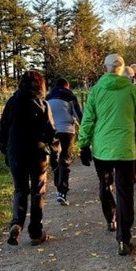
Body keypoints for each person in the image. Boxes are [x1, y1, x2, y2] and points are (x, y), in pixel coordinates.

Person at [79, 54, 136, 256]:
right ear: (122, 69)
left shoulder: (96, 91)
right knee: (124, 192)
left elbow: (88, 119)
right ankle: (124, 238)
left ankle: (110, 217)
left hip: (102, 150)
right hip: (125, 150)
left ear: (105, 68)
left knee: (104, 184)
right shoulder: (131, 89)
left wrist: (83, 144)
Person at [0, 70, 57, 246]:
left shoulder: (12, 103)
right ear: (41, 85)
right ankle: (35, 232)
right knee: (38, 191)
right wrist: (55, 152)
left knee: (20, 190)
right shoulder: (43, 104)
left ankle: (16, 224)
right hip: (37, 154)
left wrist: (6, 151)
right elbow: (51, 132)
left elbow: (3, 129)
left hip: (16, 153)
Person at [46, 77, 83, 205]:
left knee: (54, 156)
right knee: (65, 158)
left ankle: (57, 179)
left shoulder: (48, 97)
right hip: (67, 130)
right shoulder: (69, 95)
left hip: (52, 131)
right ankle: (62, 191)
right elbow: (78, 114)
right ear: (67, 86)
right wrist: (83, 129)